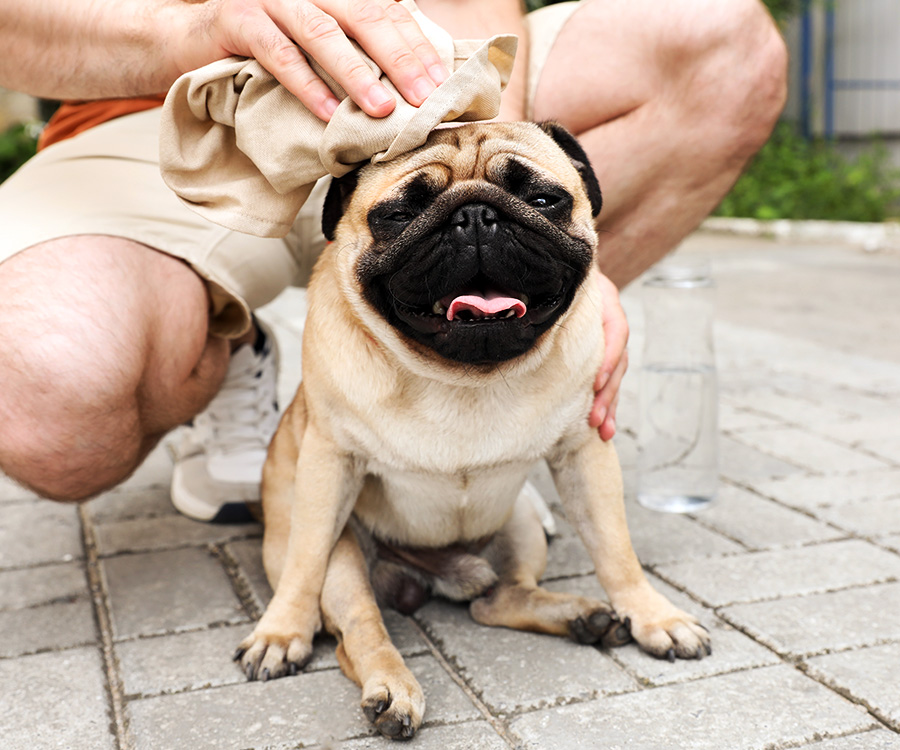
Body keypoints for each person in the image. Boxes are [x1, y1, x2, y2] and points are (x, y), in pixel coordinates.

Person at [0, 0, 787, 519]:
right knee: (48, 405)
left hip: (427, 90)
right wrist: (192, 29)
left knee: (724, 44)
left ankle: (492, 404)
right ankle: (232, 342)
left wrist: (501, 169)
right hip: (166, 107)